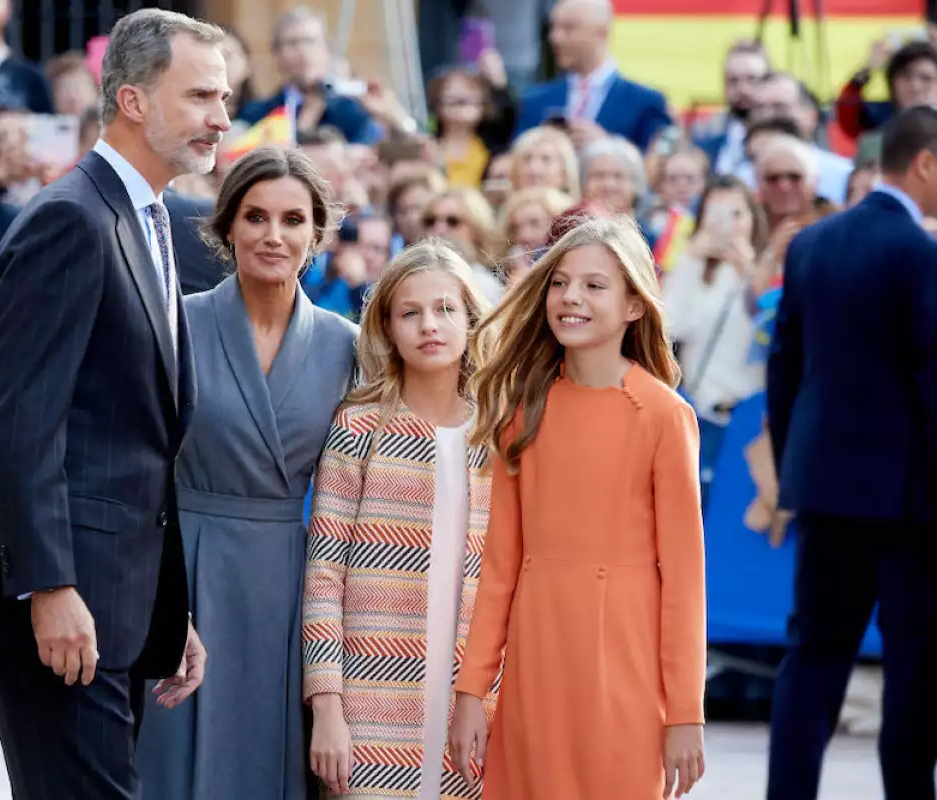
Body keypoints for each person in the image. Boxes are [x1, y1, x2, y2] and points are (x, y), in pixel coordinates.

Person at [0, 10, 232, 799]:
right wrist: (49, 587)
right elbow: (18, 426)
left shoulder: (153, 221)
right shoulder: (70, 218)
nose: (221, 118)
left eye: (223, 97)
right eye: (201, 95)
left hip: (119, 601)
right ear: (132, 101)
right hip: (64, 605)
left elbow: (133, 441)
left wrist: (171, 608)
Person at [448, 215, 708, 799]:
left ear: (635, 306)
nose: (571, 297)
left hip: (626, 668)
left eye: (595, 285)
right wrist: (472, 691)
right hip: (536, 666)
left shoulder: (665, 417)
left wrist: (684, 711)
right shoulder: (524, 412)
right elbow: (499, 569)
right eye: (561, 282)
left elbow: (685, 581)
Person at [136, 145, 356, 799]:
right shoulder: (176, 320)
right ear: (227, 226)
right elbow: (140, 467)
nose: (273, 235)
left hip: (293, 583)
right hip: (185, 572)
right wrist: (157, 597)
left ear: (316, 234)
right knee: (174, 762)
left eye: (293, 220)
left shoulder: (349, 345)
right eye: (256, 217)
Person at [765, 105, 937, 800]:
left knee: (812, 658)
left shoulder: (810, 245)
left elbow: (785, 369)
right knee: (915, 665)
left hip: (825, 489)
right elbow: (932, 386)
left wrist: (792, 471)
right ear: (926, 163)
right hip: (910, 504)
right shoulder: (922, 255)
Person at [301, 239, 501, 799]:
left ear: (470, 319)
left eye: (444, 309)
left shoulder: (500, 436)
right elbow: (323, 576)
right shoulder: (359, 427)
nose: (429, 326)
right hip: (369, 700)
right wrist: (328, 706)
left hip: (477, 698)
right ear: (387, 327)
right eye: (409, 313)